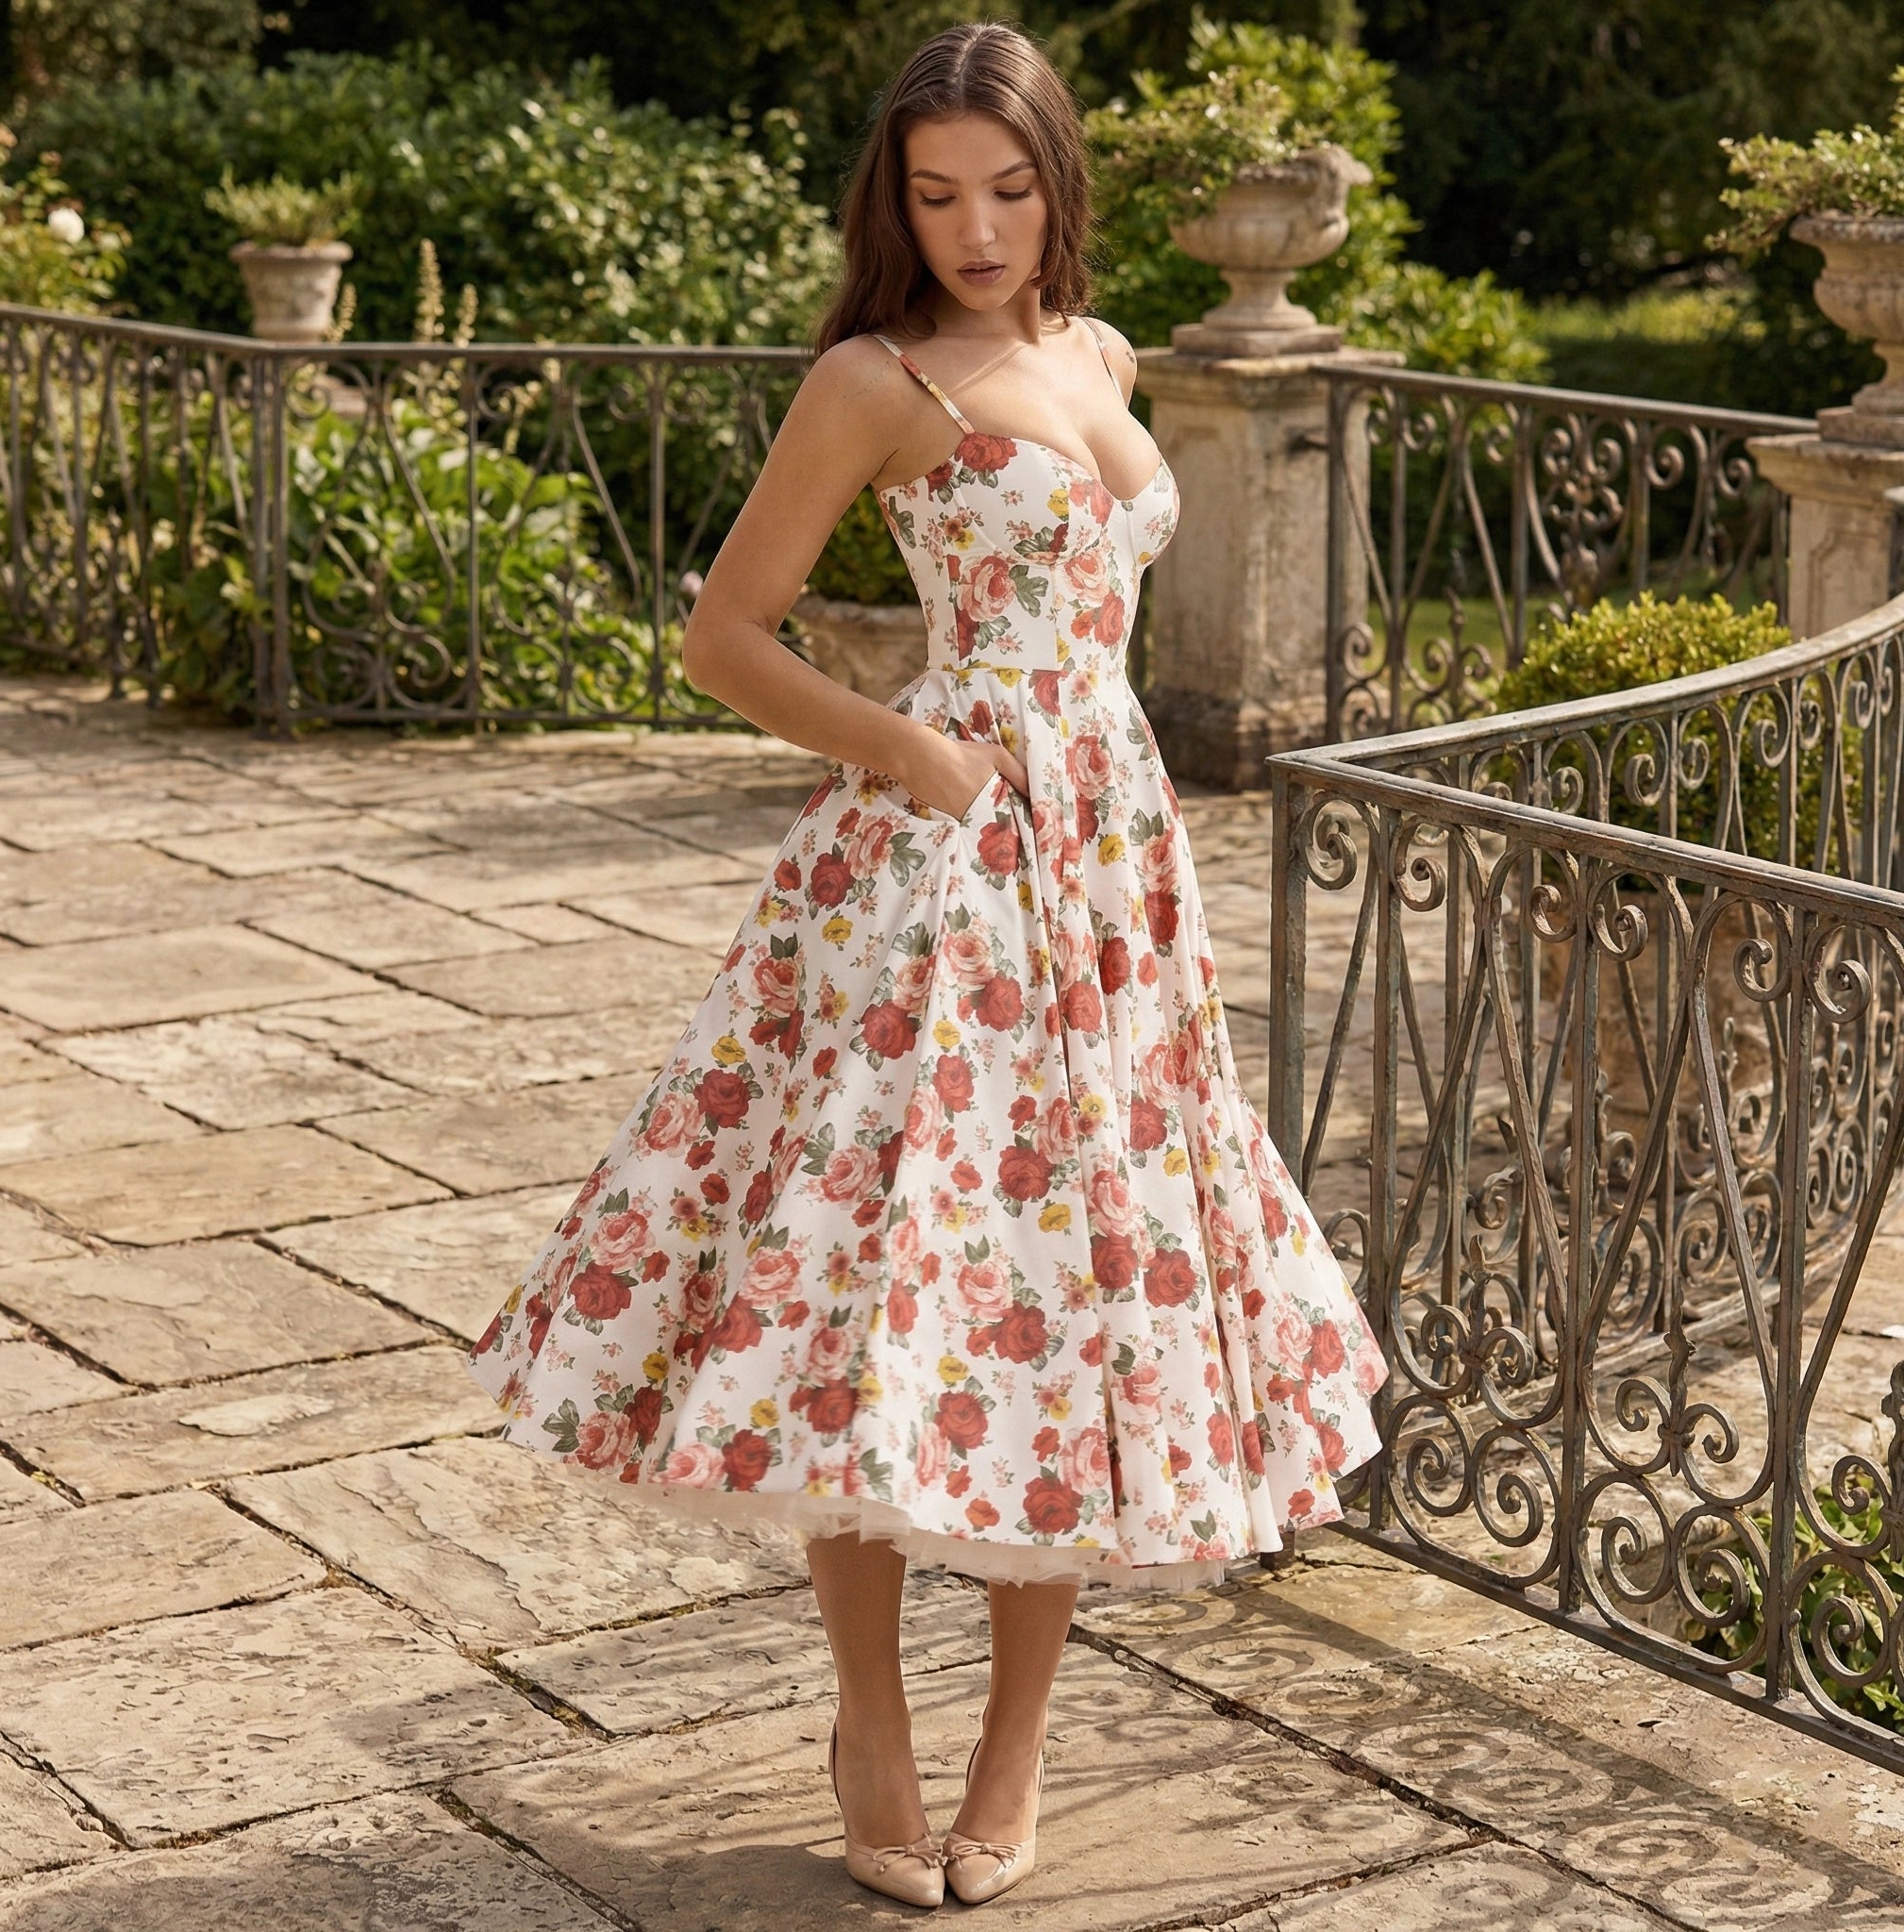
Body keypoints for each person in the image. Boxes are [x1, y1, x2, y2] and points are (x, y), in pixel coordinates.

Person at [467, 18, 1389, 1910]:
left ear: (1059, 186)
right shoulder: (873, 381)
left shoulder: (1102, 355)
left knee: (1078, 1291)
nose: (976, 229)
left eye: (1009, 189)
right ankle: (871, 1718)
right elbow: (725, 636)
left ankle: (1016, 1743)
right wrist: (908, 748)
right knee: (876, 1288)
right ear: (894, 203)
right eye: (938, 193)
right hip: (939, 873)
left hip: (1110, 877)